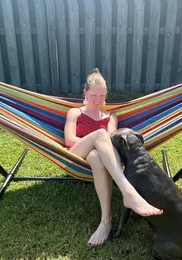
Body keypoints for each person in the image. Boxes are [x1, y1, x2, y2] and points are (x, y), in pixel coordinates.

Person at [64, 68, 163, 247]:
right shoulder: (75, 112)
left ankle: (106, 221)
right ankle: (128, 192)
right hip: (76, 154)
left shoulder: (111, 117)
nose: (98, 100)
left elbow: (112, 145)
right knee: (101, 134)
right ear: (85, 93)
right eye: (94, 95)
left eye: (102, 96)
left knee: (96, 155)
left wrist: (98, 145)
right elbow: (69, 140)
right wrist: (95, 140)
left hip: (98, 159)